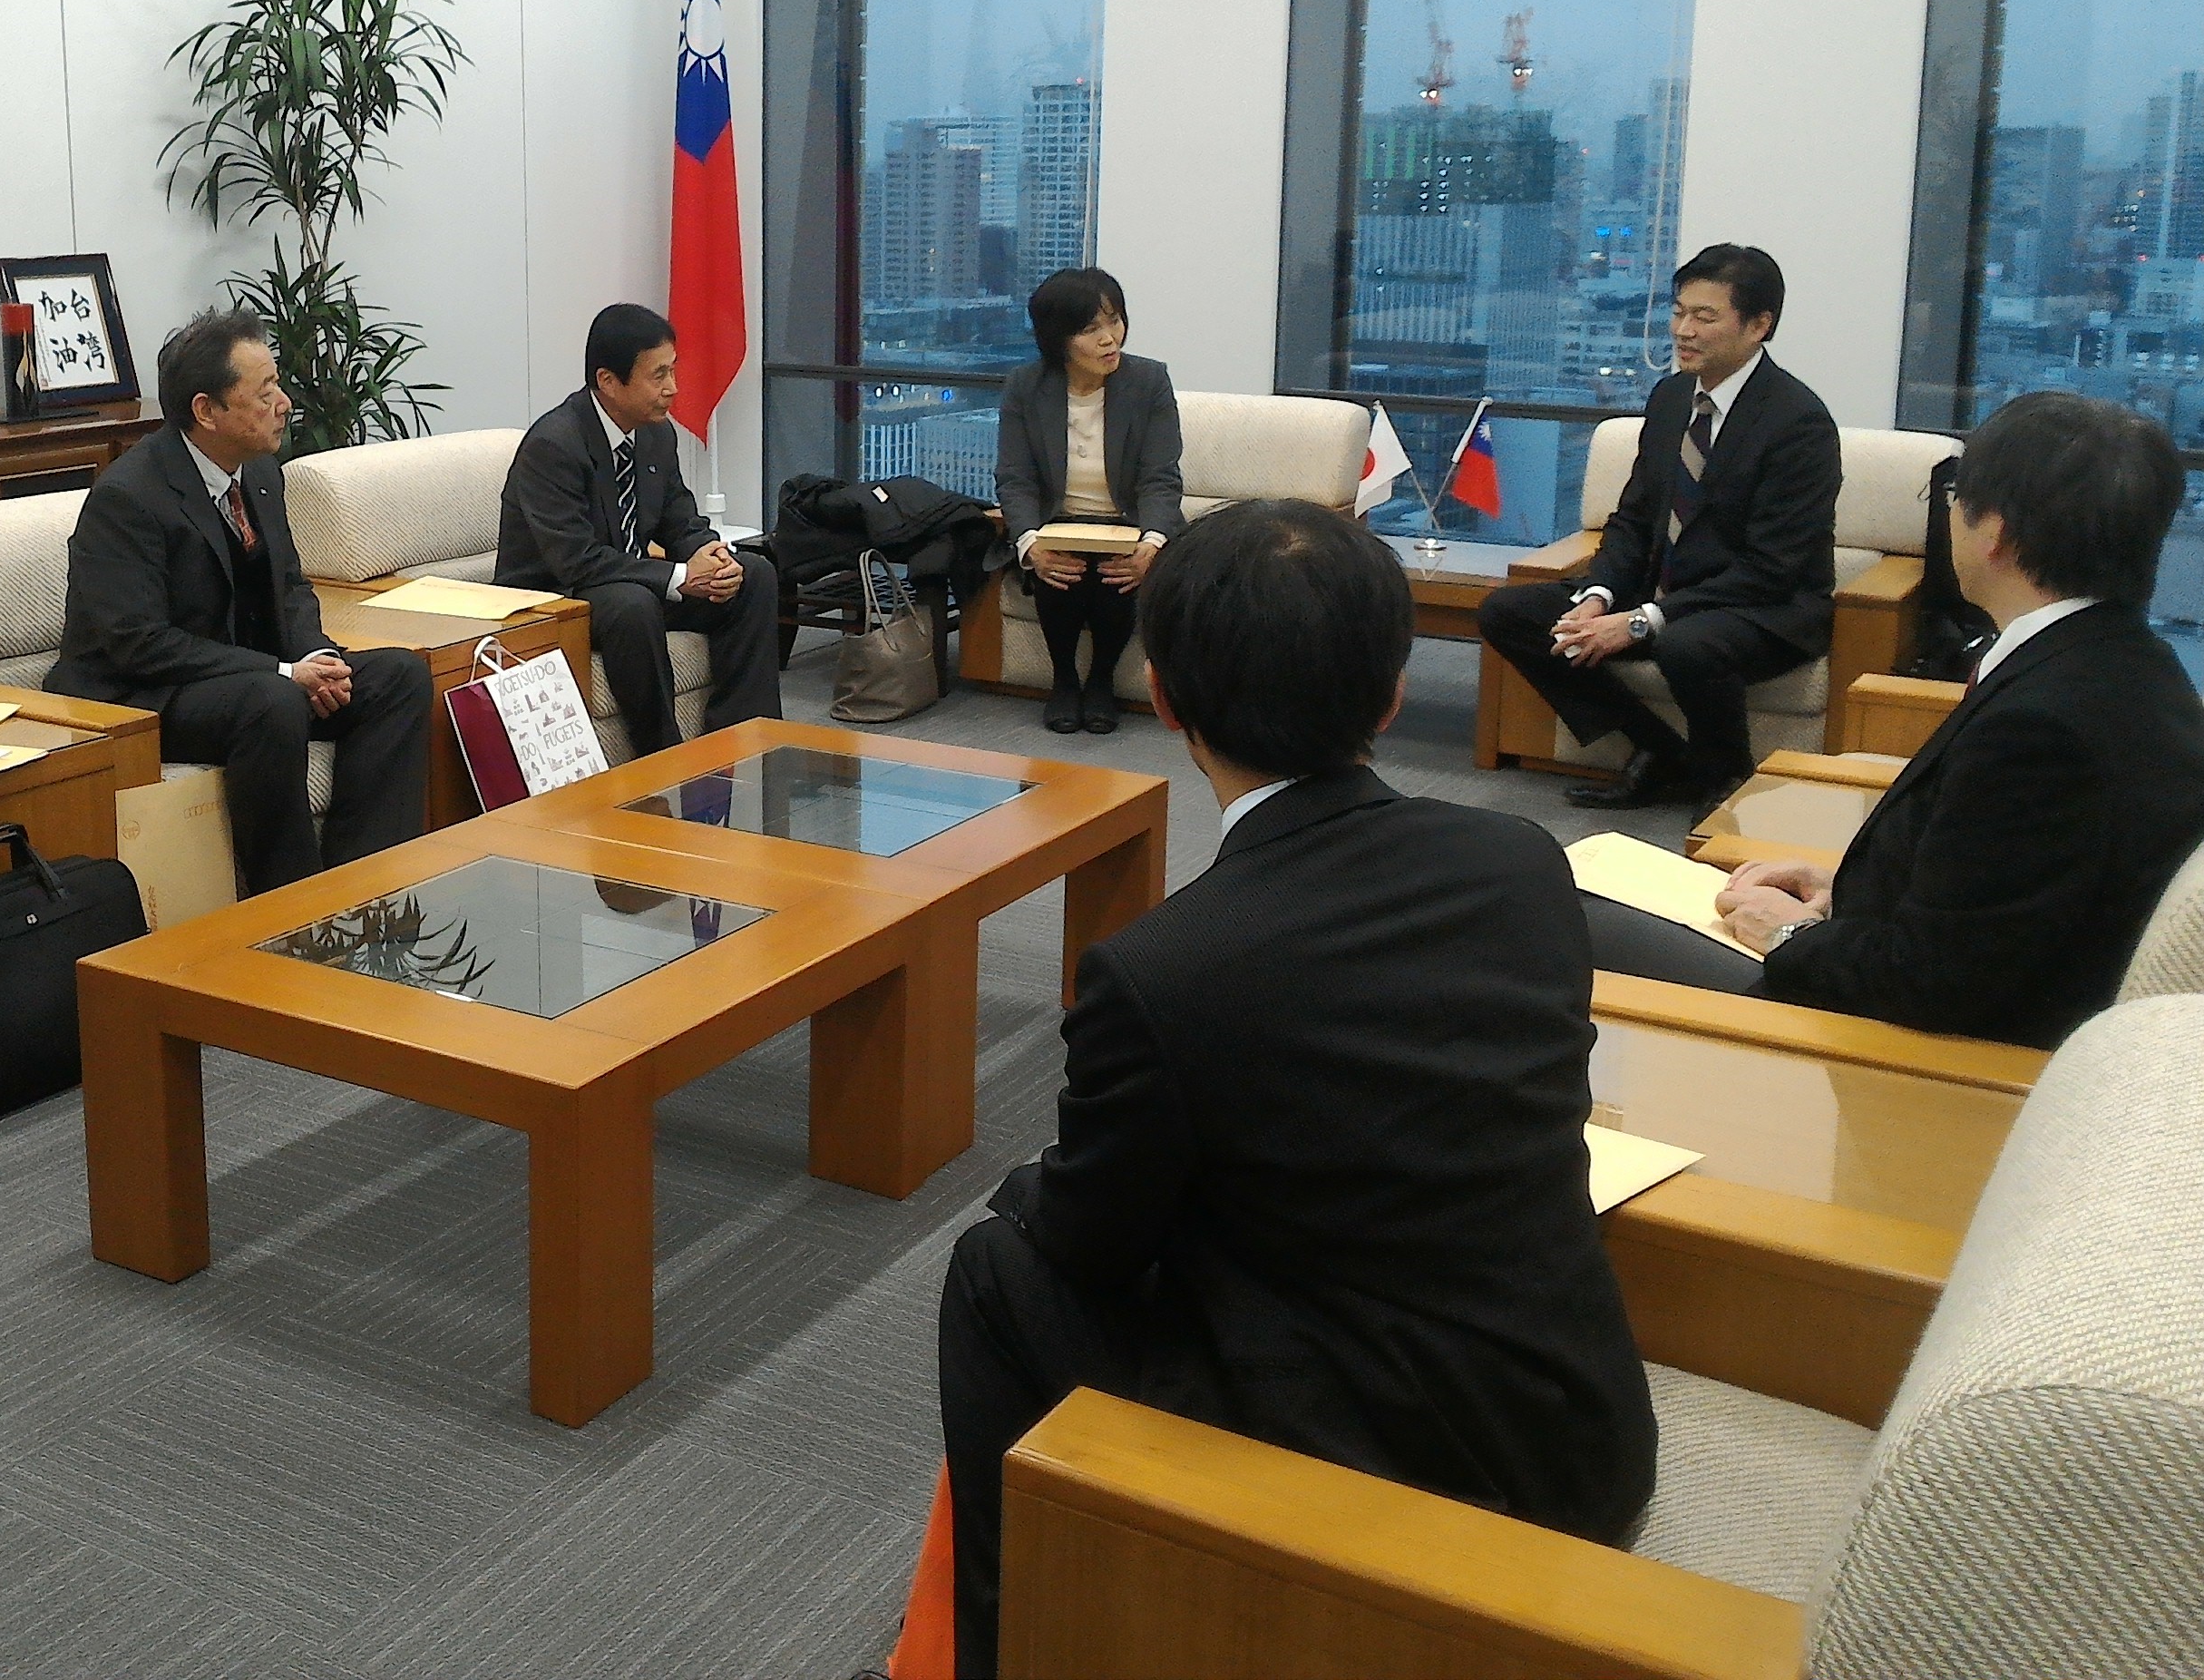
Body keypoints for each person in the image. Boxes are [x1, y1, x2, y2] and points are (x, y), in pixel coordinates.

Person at [937, 502, 1653, 1679]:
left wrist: (1029, 1192)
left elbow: (1094, 1244)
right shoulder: (1522, 866)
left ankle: (1007, 1654)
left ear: (1165, 700)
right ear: (1387, 696)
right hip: (1582, 1449)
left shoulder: (1162, 968)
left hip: (1394, 1495)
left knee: (994, 1269)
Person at [1583, 391, 2204, 1049]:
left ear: (1996, 535)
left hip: (1901, 1048)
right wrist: (1848, 892)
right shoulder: (2129, 666)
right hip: (1915, 969)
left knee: (1568, 911)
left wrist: (1792, 934)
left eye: (1955, 499)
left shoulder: (2041, 731)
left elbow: (1935, 984)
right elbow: (2005, 895)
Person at [51, 309, 432, 892]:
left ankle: (365, 886)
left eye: (278, 385)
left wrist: (318, 659)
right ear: (207, 410)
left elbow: (289, 586)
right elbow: (135, 642)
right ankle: (291, 905)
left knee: (399, 675)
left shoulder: (258, 472)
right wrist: (284, 671)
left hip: (249, 676)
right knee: (272, 700)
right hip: (145, 695)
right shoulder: (129, 498)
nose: (284, 403)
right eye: (266, 392)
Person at [1478, 244, 1838, 818]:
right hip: (1662, 587)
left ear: (1759, 326)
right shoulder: (1671, 398)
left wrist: (1644, 620)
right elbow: (1634, 519)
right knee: (1509, 612)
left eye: (1705, 317)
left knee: (1687, 642)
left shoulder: (1799, 422)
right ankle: (1659, 749)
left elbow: (1774, 567)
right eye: (1678, 312)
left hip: (1763, 606)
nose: (1683, 331)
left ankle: (1725, 777)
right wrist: (1597, 598)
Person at [494, 303, 781, 756]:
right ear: (607, 380)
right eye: (658, 375)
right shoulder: (554, 445)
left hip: (629, 582)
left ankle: (747, 739)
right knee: (633, 603)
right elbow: (576, 562)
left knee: (754, 575)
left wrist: (713, 556)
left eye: (673, 371)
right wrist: (684, 577)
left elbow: (679, 519)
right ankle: (661, 754)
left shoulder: (654, 433)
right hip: (554, 596)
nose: (673, 388)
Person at [990, 268, 1183, 736]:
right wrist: (1030, 543)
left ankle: (1100, 682)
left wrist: (1152, 543)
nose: (1108, 339)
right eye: (1090, 329)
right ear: (1058, 338)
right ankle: (1064, 681)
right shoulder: (1025, 386)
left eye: (1114, 321)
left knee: (1116, 573)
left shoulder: (1149, 381)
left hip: (1128, 521)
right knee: (1060, 567)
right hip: (1059, 521)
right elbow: (1015, 480)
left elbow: (1160, 478)